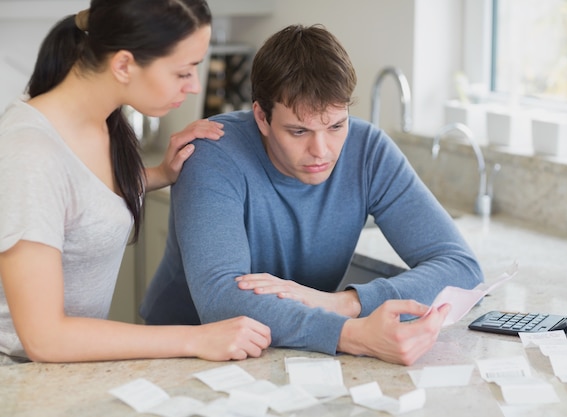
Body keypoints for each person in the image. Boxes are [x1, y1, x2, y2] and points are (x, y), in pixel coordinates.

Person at [141, 24, 484, 366]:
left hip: (297, 350)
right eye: (298, 131)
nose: (321, 151)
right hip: (185, 354)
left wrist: (344, 304)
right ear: (262, 116)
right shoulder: (212, 153)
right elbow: (221, 300)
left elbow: (462, 269)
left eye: (336, 126)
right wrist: (350, 334)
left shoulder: (368, 151)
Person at [0, 0, 271, 365]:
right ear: (124, 64)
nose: (193, 86)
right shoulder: (29, 154)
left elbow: (77, 193)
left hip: (60, 371)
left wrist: (159, 174)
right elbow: (45, 339)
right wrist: (197, 338)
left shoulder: (99, 120)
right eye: (183, 71)